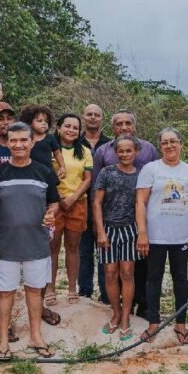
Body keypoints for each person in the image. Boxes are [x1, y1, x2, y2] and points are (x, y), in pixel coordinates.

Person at [0, 123, 59, 360]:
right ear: (7, 143)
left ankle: (36, 336)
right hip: (4, 246)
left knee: (34, 292)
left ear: (32, 142)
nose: (18, 145)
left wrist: (51, 213)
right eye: (13, 141)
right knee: (5, 293)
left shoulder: (44, 171)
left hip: (36, 245)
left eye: (23, 140)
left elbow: (54, 202)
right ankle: (4, 341)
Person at [135, 128, 188, 344]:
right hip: (156, 236)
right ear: (160, 146)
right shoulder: (150, 169)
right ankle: (153, 323)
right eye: (165, 142)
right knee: (153, 279)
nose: (169, 146)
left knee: (181, 278)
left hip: (182, 237)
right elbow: (141, 202)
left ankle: (180, 324)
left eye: (173, 141)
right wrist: (142, 232)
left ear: (180, 144)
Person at [92, 110, 158, 316]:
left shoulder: (149, 149)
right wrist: (98, 227)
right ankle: (112, 305)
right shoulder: (103, 152)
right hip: (110, 221)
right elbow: (96, 192)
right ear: (112, 128)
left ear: (134, 126)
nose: (124, 127)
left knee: (137, 266)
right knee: (110, 270)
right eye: (119, 124)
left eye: (128, 123)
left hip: (139, 220)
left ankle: (142, 305)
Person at [94, 135, 142, 341]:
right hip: (109, 230)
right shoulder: (107, 172)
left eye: (128, 150)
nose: (124, 154)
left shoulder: (141, 175)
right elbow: (96, 204)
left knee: (128, 273)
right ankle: (115, 313)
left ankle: (125, 317)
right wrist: (101, 232)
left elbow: (141, 205)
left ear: (136, 152)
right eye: (120, 151)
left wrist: (142, 232)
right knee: (110, 273)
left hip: (130, 230)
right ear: (115, 152)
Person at [45, 114, 93, 305]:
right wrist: (57, 198)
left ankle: (72, 288)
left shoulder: (84, 151)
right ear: (58, 128)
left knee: (73, 247)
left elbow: (87, 179)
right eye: (67, 126)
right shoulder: (48, 149)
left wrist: (73, 197)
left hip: (77, 203)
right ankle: (50, 288)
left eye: (75, 127)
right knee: (52, 247)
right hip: (54, 203)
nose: (71, 130)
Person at [78, 104, 111, 301]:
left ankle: (106, 293)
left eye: (96, 115)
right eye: (89, 114)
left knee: (104, 250)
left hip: (104, 206)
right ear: (84, 117)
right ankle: (84, 290)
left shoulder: (110, 144)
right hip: (80, 204)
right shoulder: (74, 141)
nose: (92, 118)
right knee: (84, 250)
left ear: (101, 118)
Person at [20, 104, 66, 178]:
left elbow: (57, 153)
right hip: (31, 173)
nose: (44, 123)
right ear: (29, 122)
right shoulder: (25, 138)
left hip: (48, 173)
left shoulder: (50, 138)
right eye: (39, 121)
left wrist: (62, 167)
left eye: (46, 121)